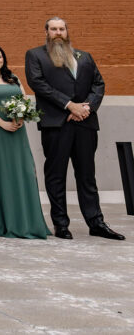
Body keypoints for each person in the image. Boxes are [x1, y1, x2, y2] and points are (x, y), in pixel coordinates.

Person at [25, 17, 124, 241]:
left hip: (85, 124)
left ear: (67, 32)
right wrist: (69, 105)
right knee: (56, 176)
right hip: (56, 124)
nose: (58, 32)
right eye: (53, 29)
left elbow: (98, 84)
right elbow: (38, 83)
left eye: (62, 29)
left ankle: (96, 222)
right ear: (46, 32)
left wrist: (86, 108)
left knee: (87, 176)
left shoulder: (84, 56)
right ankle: (61, 224)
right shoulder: (36, 55)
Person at [0, 44, 49, 239]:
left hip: (16, 131)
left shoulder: (13, 78)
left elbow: (24, 98)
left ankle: (27, 221)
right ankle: (3, 223)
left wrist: (21, 116)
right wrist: (2, 123)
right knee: (2, 173)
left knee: (23, 172)